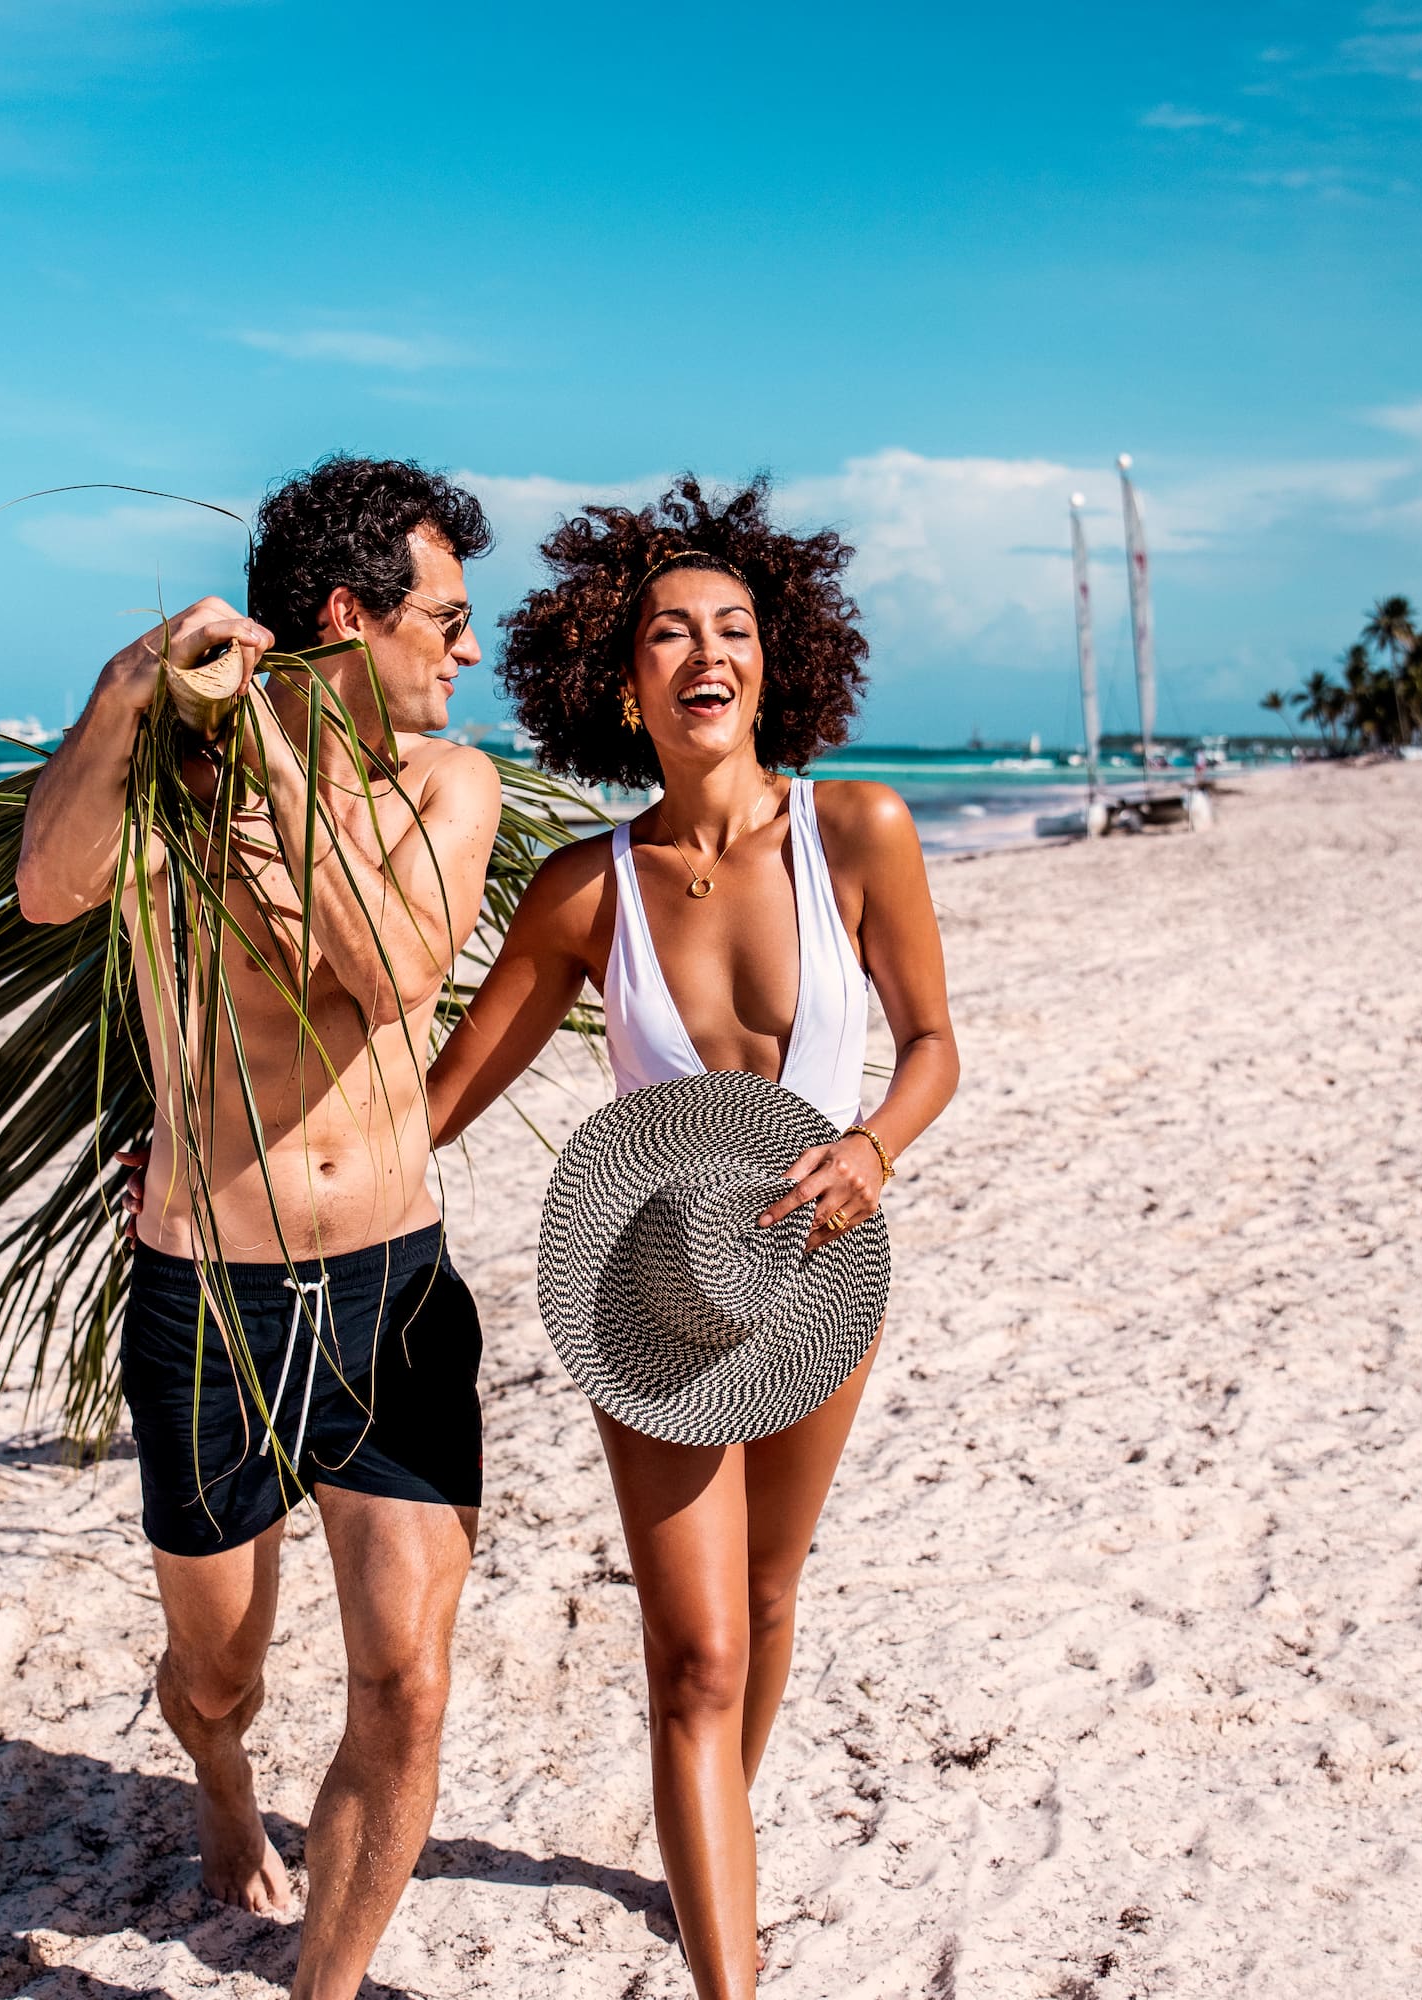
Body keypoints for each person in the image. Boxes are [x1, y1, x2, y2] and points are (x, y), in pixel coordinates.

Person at [422, 476, 959, 1999]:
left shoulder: (858, 830)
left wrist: (872, 1144)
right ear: (621, 676)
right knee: (697, 1658)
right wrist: (246, 1129)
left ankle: (712, 1821)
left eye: (733, 627)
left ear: (777, 658)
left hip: (813, 1270)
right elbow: (443, 1098)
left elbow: (932, 1044)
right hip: (650, 1292)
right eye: (669, 633)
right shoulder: (587, 890)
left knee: (773, 1600)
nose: (705, 653)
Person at [16, 456, 504, 2000]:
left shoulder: (447, 786)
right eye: (447, 617)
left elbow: (390, 970)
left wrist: (276, 759)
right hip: (209, 1305)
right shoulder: (167, 789)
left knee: (406, 1686)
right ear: (352, 618)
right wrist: (127, 693)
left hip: (389, 1291)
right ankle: (221, 1777)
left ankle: (326, 1984)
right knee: (219, 1666)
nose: (468, 650)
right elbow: (45, 886)